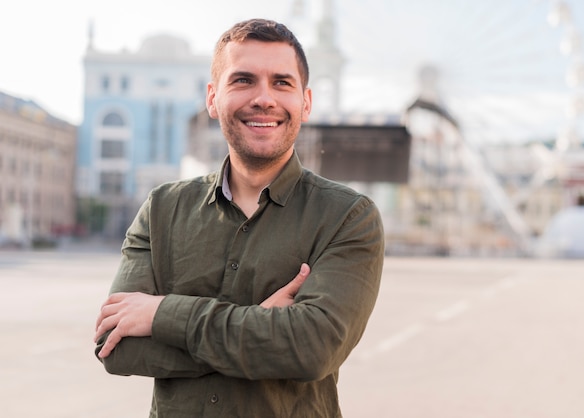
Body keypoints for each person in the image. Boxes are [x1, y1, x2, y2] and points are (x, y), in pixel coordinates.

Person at [94, 18, 384, 417]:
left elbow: (311, 349)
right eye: (243, 80)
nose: (264, 98)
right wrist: (262, 331)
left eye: (282, 82)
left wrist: (162, 314)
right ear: (212, 98)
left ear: (306, 101)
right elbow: (117, 346)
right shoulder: (162, 209)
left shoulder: (347, 217)